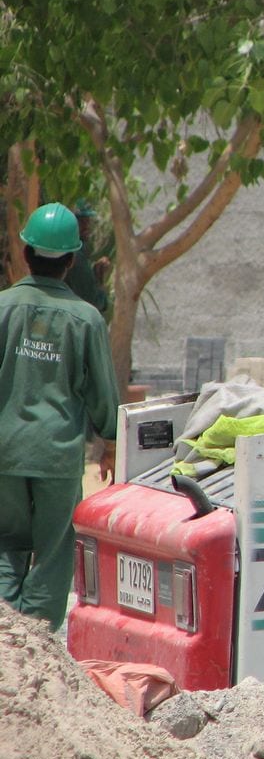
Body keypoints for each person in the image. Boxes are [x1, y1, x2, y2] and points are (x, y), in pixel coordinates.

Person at [0, 202, 120, 631]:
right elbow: (102, 391)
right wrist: (111, 441)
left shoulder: (3, 308)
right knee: (52, 554)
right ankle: (39, 647)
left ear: (26, 250)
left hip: (5, 453)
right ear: (72, 260)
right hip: (56, 457)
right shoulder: (86, 319)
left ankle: (7, 650)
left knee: (5, 549)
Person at [64, 200, 111, 315]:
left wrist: (95, 274)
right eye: (80, 222)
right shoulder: (76, 256)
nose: (86, 227)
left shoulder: (65, 250)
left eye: (87, 221)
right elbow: (93, 303)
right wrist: (100, 285)